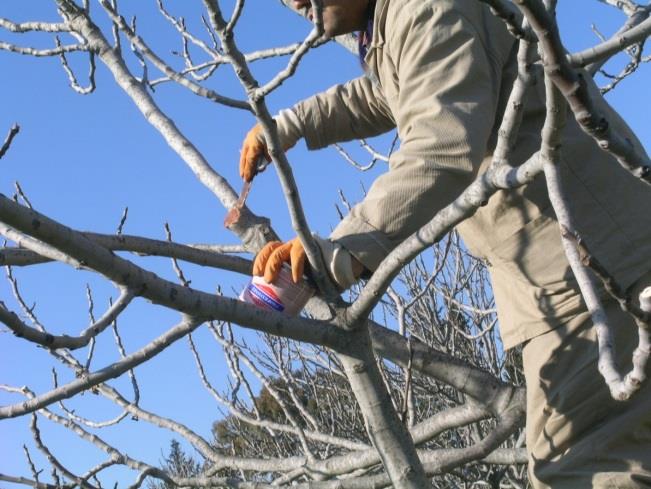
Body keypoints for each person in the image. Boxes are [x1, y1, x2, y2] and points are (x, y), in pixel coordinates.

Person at [239, 0, 651, 486]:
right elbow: (394, 91)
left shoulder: (430, 8)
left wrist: (332, 256)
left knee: (584, 473)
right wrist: (291, 125)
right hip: (574, 270)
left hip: (595, 273)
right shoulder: (402, 19)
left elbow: (441, 147)